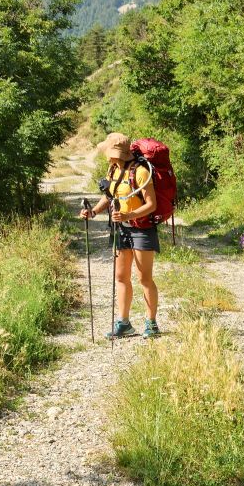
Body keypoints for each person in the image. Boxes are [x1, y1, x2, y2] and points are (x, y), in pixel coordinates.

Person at [79, 132, 161, 339]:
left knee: (145, 278)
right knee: (121, 277)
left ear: (115, 152)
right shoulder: (114, 170)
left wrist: (128, 214)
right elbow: (108, 197)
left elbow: (152, 205)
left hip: (141, 229)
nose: (105, 154)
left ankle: (151, 324)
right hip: (120, 229)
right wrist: (93, 212)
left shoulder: (141, 172)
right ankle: (124, 324)